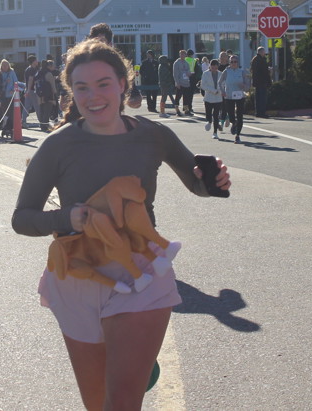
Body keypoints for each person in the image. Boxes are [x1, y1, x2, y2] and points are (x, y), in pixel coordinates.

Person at [12, 39, 232, 411]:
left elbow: (197, 183)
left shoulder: (152, 135)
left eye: (103, 84)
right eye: (82, 87)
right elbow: (22, 218)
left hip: (142, 272)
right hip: (79, 274)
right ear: (72, 92)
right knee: (97, 403)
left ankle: (133, 358)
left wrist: (214, 181)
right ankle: (133, 360)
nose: (93, 96)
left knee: (123, 402)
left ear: (122, 85)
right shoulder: (58, 145)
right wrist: (68, 218)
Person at [219, 55, 251, 144]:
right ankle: (234, 122)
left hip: (240, 96)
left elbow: (248, 85)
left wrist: (244, 86)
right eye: (232, 62)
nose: (233, 63)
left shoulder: (242, 72)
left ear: (238, 63)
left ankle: (237, 136)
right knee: (231, 114)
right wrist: (222, 91)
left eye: (235, 62)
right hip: (229, 96)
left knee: (240, 115)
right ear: (229, 63)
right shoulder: (226, 72)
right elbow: (220, 82)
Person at [201, 59, 225, 139]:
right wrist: (213, 90)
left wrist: (219, 90)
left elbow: (223, 84)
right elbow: (203, 85)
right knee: (208, 114)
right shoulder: (205, 74)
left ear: (218, 66)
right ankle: (209, 121)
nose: (214, 67)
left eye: (216, 66)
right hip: (208, 98)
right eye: (212, 66)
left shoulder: (221, 74)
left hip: (218, 98)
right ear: (210, 66)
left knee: (216, 115)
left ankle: (215, 133)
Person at [250, 47, 271, 118]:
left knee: (258, 98)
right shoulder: (260, 60)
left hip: (257, 82)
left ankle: (258, 112)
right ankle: (262, 113)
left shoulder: (255, 59)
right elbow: (263, 71)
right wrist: (268, 71)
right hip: (262, 82)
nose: (264, 53)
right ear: (261, 52)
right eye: (264, 52)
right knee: (262, 98)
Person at [172, 50, 192, 116]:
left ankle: (186, 110)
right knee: (178, 96)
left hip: (186, 82)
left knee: (186, 97)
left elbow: (189, 70)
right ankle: (177, 109)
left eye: (184, 54)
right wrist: (177, 82)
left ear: (185, 55)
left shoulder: (186, 63)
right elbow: (175, 73)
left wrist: (189, 73)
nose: (182, 55)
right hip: (180, 82)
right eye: (181, 54)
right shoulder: (176, 63)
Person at [24, 56, 40, 127]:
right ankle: (42, 121)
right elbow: (30, 79)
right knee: (37, 106)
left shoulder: (28, 69)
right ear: (33, 61)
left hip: (29, 90)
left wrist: (27, 89)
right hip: (32, 90)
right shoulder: (32, 69)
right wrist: (28, 90)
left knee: (26, 106)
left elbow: (26, 80)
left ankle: (23, 121)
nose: (37, 61)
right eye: (36, 60)